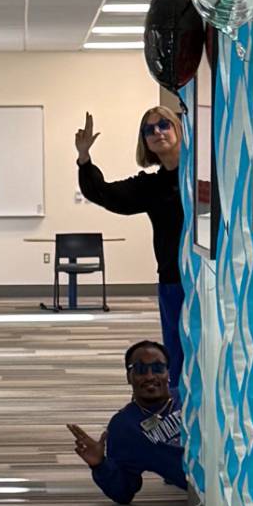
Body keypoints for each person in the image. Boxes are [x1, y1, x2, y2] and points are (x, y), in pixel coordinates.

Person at [73, 103, 186, 385]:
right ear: (145, 142)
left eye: (164, 125)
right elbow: (104, 193)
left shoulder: (205, 175)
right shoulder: (151, 186)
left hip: (212, 280)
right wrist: (84, 157)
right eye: (150, 130)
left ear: (179, 129)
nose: (158, 132)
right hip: (174, 279)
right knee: (179, 357)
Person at [69, 339, 188, 505]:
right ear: (128, 377)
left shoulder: (191, 396)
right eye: (140, 369)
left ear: (168, 374)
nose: (149, 376)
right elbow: (123, 492)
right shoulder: (125, 427)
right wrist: (100, 464)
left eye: (158, 368)